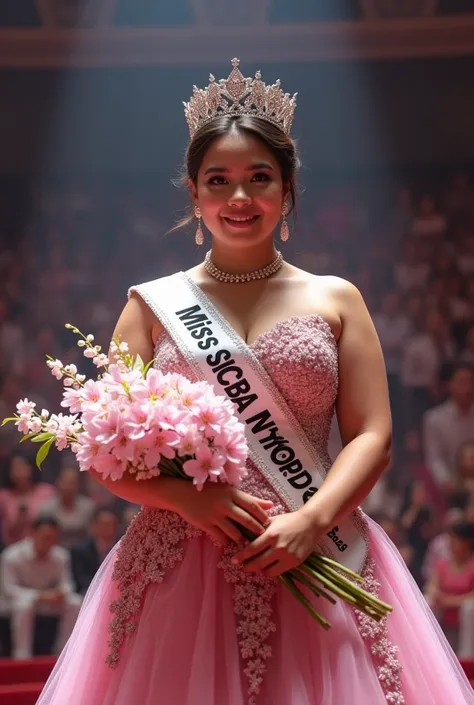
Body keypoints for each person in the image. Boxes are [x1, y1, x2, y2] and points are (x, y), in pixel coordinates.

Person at [37, 59, 474, 705]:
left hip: (316, 542)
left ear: (288, 187)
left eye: (258, 178)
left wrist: (312, 518)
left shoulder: (336, 297)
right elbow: (103, 448)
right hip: (180, 558)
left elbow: (373, 434)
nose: (239, 198)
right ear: (193, 192)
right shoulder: (152, 306)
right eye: (219, 180)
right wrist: (188, 500)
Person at [0, 517, 82, 660]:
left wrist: (61, 593)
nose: (49, 542)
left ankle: (62, 653)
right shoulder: (11, 556)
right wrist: (40, 595)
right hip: (15, 603)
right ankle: (22, 655)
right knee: (24, 605)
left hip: (48, 602)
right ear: (33, 534)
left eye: (53, 538)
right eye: (45, 537)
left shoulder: (61, 556)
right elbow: (9, 590)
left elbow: (67, 584)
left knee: (75, 602)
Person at [424, 522, 474, 658]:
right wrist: (435, 593)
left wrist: (451, 601)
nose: (451, 544)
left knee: (470, 607)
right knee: (427, 601)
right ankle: (429, 650)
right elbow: (432, 585)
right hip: (444, 612)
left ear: (467, 542)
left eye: (455, 540)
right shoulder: (442, 564)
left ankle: (467, 656)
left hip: (466, 616)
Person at [423, 363, 474, 489]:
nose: (467, 388)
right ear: (450, 385)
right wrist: (447, 481)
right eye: (462, 382)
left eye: (470, 382)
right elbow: (434, 458)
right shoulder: (434, 419)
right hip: (450, 485)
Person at [0, 453, 56, 546]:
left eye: (22, 466)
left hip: (46, 547)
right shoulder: (4, 496)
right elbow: (7, 533)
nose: (19, 471)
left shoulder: (47, 492)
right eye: (15, 468)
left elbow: (54, 524)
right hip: (14, 549)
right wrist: (20, 517)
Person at [37, 467, 95, 548]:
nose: (68, 487)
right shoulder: (46, 508)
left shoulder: (88, 507)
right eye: (65, 482)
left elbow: (92, 535)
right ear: (58, 482)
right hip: (54, 551)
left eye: (72, 483)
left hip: (83, 552)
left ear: (77, 485)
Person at [70, 508, 119, 595]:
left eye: (111, 524)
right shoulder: (80, 550)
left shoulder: (122, 549)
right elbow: (80, 578)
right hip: (89, 591)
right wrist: (100, 587)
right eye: (104, 524)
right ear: (94, 526)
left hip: (115, 590)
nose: (107, 528)